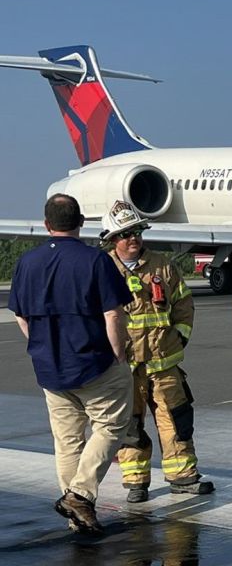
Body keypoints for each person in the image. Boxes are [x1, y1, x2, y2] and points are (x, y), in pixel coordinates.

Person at [7, 194, 133, 534]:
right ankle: (80, 495)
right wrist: (119, 354)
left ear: (47, 224)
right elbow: (112, 313)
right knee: (110, 427)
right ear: (80, 221)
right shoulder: (95, 261)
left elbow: (20, 314)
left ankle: (77, 516)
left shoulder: (28, 263)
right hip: (94, 364)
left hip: (50, 367)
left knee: (67, 442)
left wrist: (41, 345)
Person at [101, 200, 215, 503]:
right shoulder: (102, 269)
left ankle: (184, 477)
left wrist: (178, 337)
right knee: (130, 425)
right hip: (125, 368)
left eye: (137, 231)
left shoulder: (162, 265)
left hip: (165, 364)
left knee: (176, 420)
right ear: (113, 239)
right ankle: (136, 482)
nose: (133, 238)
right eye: (126, 234)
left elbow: (183, 304)